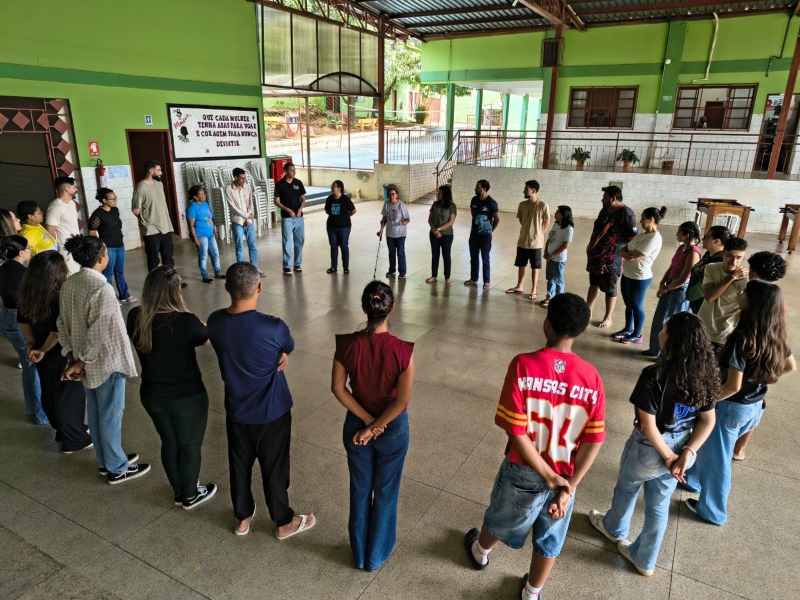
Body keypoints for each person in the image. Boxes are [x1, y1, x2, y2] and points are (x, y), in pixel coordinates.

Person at [463, 293, 605, 600]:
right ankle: (532, 592)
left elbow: (515, 430)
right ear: (581, 330)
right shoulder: (592, 377)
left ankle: (480, 552)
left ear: (547, 323)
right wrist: (567, 487)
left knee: (502, 516)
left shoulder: (523, 364)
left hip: (523, 468)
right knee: (550, 536)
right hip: (565, 475)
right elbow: (594, 440)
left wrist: (545, 475)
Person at [589, 312, 718, 576]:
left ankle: (614, 528)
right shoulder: (706, 374)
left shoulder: (654, 374)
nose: (660, 332)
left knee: (627, 487)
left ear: (672, 340)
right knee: (659, 504)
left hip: (650, 448)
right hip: (683, 446)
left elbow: (647, 425)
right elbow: (707, 420)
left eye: (664, 329)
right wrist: (686, 454)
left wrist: (667, 456)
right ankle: (645, 559)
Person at [208, 262, 315, 538]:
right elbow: (288, 346)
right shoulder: (273, 327)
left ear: (226, 288)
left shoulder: (215, 322)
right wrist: (282, 354)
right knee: (275, 467)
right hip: (272, 412)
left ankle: (242, 517)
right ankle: (283, 521)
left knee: (239, 465)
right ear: (259, 287)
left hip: (236, 410)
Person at [684, 280, 796, 525]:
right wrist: (760, 378)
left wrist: (702, 402)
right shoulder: (776, 333)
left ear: (753, 303)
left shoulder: (743, 338)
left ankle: (712, 512)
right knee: (711, 450)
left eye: (745, 293)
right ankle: (692, 480)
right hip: (754, 407)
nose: (741, 295)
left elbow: (732, 386)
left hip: (730, 408)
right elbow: (790, 366)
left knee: (719, 462)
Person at [331, 280, 415, 571]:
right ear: (391, 308)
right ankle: (376, 556)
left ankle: (359, 554)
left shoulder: (346, 345)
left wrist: (366, 422)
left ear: (364, 307)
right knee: (386, 490)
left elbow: (338, 388)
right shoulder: (403, 351)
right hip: (392, 428)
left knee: (360, 488)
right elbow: (401, 401)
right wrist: (376, 424)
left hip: (357, 423)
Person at [58, 234, 149, 484]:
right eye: (106, 252)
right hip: (106, 362)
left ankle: (105, 460)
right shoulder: (102, 289)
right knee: (110, 415)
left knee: (97, 413)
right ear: (101, 259)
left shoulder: (70, 283)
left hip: (83, 360)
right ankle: (117, 467)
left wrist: (73, 356)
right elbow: (98, 332)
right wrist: (82, 361)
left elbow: (62, 323)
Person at [127, 266, 215, 509]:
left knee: (170, 443)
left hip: (152, 395)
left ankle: (179, 492)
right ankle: (190, 495)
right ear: (176, 293)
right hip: (187, 397)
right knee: (190, 446)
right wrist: (185, 310)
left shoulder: (135, 316)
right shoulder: (185, 321)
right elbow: (206, 337)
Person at [18, 252, 92, 451]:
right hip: (59, 352)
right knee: (69, 396)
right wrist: (43, 349)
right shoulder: (59, 297)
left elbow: (22, 321)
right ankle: (74, 440)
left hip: (41, 351)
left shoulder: (27, 294)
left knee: (50, 391)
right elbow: (57, 332)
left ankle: (63, 430)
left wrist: (33, 344)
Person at [731, 250, 788, 462]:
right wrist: (764, 373)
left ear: (755, 273)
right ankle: (739, 449)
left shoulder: (756, 299)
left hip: (741, 383)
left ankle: (736, 448)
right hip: (755, 380)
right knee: (756, 404)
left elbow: (733, 386)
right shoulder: (775, 297)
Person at [0, 236, 46, 424]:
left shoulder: (3, 268)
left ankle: (32, 408)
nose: (30, 251)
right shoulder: (24, 274)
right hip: (18, 321)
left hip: (6, 317)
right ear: (20, 253)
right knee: (34, 366)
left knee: (28, 366)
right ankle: (42, 414)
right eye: (28, 248)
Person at [642, 222, 701, 357]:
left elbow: (683, 279)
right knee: (659, 319)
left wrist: (665, 289)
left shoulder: (693, 253)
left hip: (679, 290)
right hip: (669, 285)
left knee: (673, 325)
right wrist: (662, 283)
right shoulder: (681, 248)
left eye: (679, 232)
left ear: (687, 235)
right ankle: (655, 349)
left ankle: (667, 356)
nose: (676, 234)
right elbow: (672, 267)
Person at [585, 186, 638, 328]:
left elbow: (633, 238)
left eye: (605, 197)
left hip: (611, 259)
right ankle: (588, 312)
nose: (602, 199)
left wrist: (625, 254)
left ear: (614, 198)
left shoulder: (626, 213)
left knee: (610, 288)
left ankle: (608, 317)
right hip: (596, 256)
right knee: (594, 283)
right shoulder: (604, 210)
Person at [612, 207, 666, 346]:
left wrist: (624, 254)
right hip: (628, 274)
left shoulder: (654, 239)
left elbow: (633, 256)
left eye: (643, 218)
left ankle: (637, 335)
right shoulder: (643, 235)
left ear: (651, 219)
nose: (640, 221)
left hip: (639, 277)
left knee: (636, 305)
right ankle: (628, 329)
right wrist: (624, 253)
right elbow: (624, 249)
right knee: (629, 304)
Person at [131, 160, 180, 283]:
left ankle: (171, 282)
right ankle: (155, 284)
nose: (161, 173)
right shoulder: (141, 187)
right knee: (153, 260)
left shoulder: (159, 184)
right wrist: (146, 220)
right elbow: (136, 209)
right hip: (151, 229)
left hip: (165, 227)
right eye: (158, 170)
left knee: (168, 257)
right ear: (150, 171)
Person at [697, 237, 748, 352]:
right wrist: (732, 277)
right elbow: (709, 297)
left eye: (738, 258)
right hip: (702, 326)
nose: (734, 262)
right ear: (722, 254)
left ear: (744, 257)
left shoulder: (745, 279)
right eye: (729, 256)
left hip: (723, 333)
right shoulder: (711, 268)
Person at [89, 188, 135, 303]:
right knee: (108, 273)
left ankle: (124, 295)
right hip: (108, 247)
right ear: (104, 200)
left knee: (120, 271)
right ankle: (111, 297)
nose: (115, 201)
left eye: (116, 198)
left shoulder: (115, 210)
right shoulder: (97, 214)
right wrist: (101, 246)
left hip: (120, 245)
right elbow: (92, 232)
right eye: (112, 199)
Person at [507, 180, 551, 300]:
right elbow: (521, 219)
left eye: (526, 190)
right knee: (521, 264)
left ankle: (534, 289)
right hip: (522, 240)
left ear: (534, 191)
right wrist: (527, 231)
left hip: (536, 243)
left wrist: (538, 234)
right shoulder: (522, 205)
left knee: (535, 267)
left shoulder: (543, 205)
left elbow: (547, 222)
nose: (523, 191)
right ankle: (519, 286)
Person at [225, 168, 263, 277]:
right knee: (239, 247)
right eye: (242, 178)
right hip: (237, 221)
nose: (244, 180)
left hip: (249, 221)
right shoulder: (229, 189)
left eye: (245, 178)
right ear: (235, 177)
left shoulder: (248, 187)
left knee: (252, 245)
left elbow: (250, 204)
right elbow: (233, 208)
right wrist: (246, 216)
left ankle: (255, 269)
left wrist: (249, 219)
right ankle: (241, 271)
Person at [465, 180, 500, 289]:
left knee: (485, 258)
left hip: (485, 236)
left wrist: (490, 230)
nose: (475, 189)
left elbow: (497, 219)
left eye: (478, 187)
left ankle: (486, 281)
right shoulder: (474, 200)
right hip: (474, 234)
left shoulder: (491, 202)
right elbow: (473, 214)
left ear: (484, 189)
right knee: (473, 257)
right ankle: (473, 278)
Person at [186, 186, 225, 283]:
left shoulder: (205, 204)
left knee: (215, 253)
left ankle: (218, 273)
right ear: (195, 197)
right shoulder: (192, 208)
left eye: (204, 193)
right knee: (203, 255)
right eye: (201, 194)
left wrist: (214, 230)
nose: (204, 195)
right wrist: (195, 239)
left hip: (210, 233)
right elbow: (191, 225)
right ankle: (205, 276)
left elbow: (209, 218)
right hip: (200, 234)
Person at [687, 226, 730, 314]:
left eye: (706, 237)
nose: (703, 239)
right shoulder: (708, 254)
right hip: (695, 300)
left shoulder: (720, 260)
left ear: (717, 241)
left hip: (703, 302)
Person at [274, 163, 306, 275]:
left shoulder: (298, 183)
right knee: (287, 241)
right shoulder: (279, 185)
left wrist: (300, 209)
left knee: (299, 241)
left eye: (294, 170)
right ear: (286, 172)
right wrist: (287, 209)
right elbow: (276, 201)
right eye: (291, 171)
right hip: (287, 218)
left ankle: (297, 264)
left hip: (299, 217)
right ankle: (287, 266)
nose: (294, 172)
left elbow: (303, 198)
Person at [539, 205, 574, 307]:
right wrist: (546, 251)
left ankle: (559, 300)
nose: (555, 213)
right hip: (550, 257)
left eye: (557, 212)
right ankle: (549, 297)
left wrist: (552, 255)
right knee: (550, 278)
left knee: (558, 280)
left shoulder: (568, 229)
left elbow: (565, 245)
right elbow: (550, 239)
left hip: (559, 259)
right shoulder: (555, 225)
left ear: (563, 215)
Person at [46, 176, 81, 274]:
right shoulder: (56, 207)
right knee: (71, 275)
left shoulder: (72, 203)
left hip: (76, 246)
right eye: (74, 187)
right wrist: (57, 251)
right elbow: (50, 231)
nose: (76, 189)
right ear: (66, 189)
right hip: (65, 250)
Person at [426, 185, 457, 285]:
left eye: (439, 193)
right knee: (435, 255)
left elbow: (450, 222)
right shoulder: (435, 204)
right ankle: (434, 276)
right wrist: (434, 231)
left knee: (446, 255)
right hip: (434, 234)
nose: (437, 194)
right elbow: (430, 220)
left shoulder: (452, 206)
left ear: (445, 194)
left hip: (447, 235)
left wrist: (438, 229)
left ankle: (447, 277)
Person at [378, 186, 410, 279]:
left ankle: (402, 271)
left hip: (400, 234)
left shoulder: (401, 205)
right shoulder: (386, 204)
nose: (391, 196)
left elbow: (408, 219)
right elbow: (384, 219)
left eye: (393, 194)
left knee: (400, 252)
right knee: (391, 252)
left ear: (397, 195)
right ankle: (392, 270)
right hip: (390, 233)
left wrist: (404, 222)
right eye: (389, 194)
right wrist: (381, 229)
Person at [325, 180, 356, 274]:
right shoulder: (329, 199)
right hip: (331, 226)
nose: (332, 188)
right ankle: (333, 267)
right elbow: (327, 210)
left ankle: (346, 267)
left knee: (343, 245)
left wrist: (345, 217)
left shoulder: (345, 199)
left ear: (339, 188)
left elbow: (353, 210)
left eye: (334, 186)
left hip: (344, 227)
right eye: (332, 186)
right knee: (333, 246)